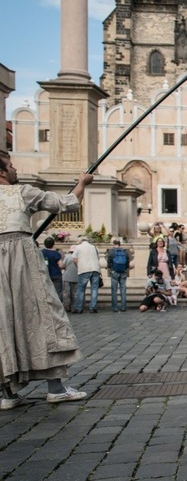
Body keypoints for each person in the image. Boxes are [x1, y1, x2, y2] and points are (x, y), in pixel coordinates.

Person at [0, 154, 91, 408]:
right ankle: (56, 388)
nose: (15, 169)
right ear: (2, 173)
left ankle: (7, 394)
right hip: (22, 258)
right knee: (45, 313)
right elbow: (67, 203)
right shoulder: (22, 192)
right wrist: (82, 182)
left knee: (4, 322)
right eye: (11, 166)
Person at [73, 236, 101, 315]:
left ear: (80, 241)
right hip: (95, 269)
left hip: (84, 269)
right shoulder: (94, 247)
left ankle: (79, 308)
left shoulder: (78, 247)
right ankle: (93, 307)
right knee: (94, 289)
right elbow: (97, 258)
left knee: (81, 289)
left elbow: (75, 260)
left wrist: (78, 266)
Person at [106, 237, 133, 312]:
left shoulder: (111, 251)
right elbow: (128, 261)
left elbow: (109, 261)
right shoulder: (125, 251)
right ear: (120, 244)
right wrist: (126, 269)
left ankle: (115, 307)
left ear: (114, 244)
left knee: (114, 290)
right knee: (123, 290)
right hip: (123, 272)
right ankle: (123, 307)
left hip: (114, 272)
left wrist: (110, 270)